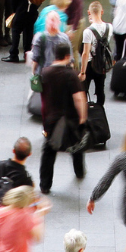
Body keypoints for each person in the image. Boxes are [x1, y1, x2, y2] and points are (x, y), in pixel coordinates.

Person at [37, 38, 86, 194]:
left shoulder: (45, 72)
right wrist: (82, 116)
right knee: (76, 145)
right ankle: (79, 171)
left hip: (51, 119)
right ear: (67, 56)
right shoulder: (70, 75)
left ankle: (45, 184)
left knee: (49, 151)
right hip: (69, 118)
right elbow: (78, 98)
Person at [80, 2, 116, 104]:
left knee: (84, 90)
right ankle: (100, 110)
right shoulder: (109, 27)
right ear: (102, 12)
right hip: (102, 63)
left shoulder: (88, 31)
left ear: (88, 12)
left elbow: (85, 53)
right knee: (100, 89)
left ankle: (85, 111)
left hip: (90, 64)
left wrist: (82, 72)